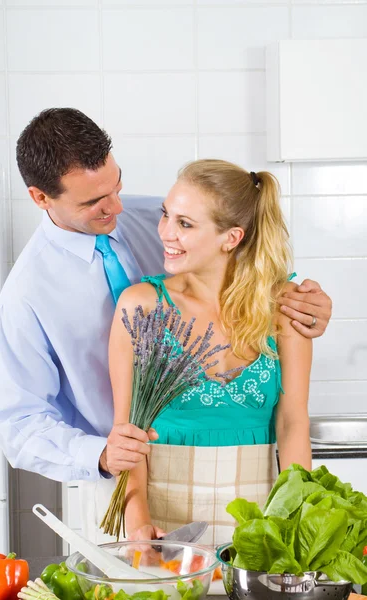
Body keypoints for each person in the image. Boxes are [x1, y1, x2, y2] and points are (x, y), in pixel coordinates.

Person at [0, 108, 331, 543]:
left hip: (240, 476)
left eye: (116, 186)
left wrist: (305, 298)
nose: (115, 207)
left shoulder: (157, 216)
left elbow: (242, 249)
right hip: (118, 483)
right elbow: (17, 424)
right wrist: (104, 454)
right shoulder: (25, 296)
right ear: (41, 198)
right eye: (94, 202)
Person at [109, 159, 313, 546]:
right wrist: (139, 528)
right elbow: (127, 434)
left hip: (259, 522)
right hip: (164, 524)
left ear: (231, 237)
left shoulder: (284, 308)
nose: (166, 233)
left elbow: (292, 426)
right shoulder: (141, 306)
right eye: (166, 215)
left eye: (185, 224)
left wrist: (298, 520)